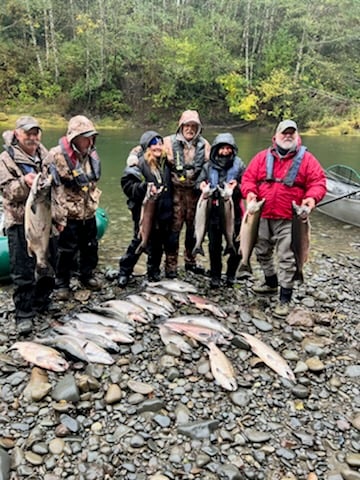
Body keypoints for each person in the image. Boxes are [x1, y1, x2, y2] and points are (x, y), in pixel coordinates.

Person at [241, 119, 326, 317]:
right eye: (284, 133)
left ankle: (285, 297)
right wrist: (250, 193)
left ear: (297, 137)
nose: (288, 136)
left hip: (291, 219)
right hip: (261, 215)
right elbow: (248, 179)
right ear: (275, 137)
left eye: (291, 133)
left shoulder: (308, 160)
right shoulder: (262, 157)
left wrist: (312, 199)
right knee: (261, 251)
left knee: (287, 257)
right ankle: (270, 282)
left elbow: (319, 183)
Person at [0, 116, 66, 334]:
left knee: (50, 263)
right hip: (20, 222)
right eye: (28, 133)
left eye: (36, 132)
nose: (32, 137)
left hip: (48, 221)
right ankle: (24, 314)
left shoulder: (47, 157)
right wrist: (24, 183)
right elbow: (7, 191)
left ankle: (42, 301)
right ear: (17, 133)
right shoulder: (5, 159)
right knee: (22, 271)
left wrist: (61, 217)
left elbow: (58, 190)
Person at [49, 115, 102, 299]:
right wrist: (58, 217)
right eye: (85, 137)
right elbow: (53, 189)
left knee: (90, 245)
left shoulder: (91, 155)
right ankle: (61, 283)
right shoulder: (56, 155)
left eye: (91, 136)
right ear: (74, 138)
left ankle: (87, 275)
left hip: (88, 210)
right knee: (66, 250)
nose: (89, 140)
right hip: (69, 213)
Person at [118, 131, 173, 287]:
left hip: (163, 211)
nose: (158, 146)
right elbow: (128, 186)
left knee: (158, 244)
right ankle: (124, 271)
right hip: (144, 211)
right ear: (147, 146)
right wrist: (143, 187)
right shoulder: (139, 164)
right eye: (153, 143)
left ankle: (153, 272)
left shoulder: (166, 163)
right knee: (139, 240)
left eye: (160, 143)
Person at [163, 110, 211, 278]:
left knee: (193, 230)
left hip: (195, 194)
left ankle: (190, 261)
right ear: (181, 126)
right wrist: (132, 161)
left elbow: (215, 164)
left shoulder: (205, 145)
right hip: (175, 194)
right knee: (173, 232)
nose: (190, 129)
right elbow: (144, 149)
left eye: (193, 126)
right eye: (187, 125)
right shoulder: (167, 142)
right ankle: (170, 266)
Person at [196, 133, 245, 288]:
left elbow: (248, 187)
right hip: (213, 213)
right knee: (214, 246)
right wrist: (201, 187)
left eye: (228, 148)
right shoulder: (207, 166)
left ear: (232, 150)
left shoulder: (240, 165)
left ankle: (231, 274)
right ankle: (215, 275)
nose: (225, 151)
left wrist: (237, 187)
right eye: (222, 148)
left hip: (233, 211)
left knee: (236, 245)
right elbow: (198, 182)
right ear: (216, 149)